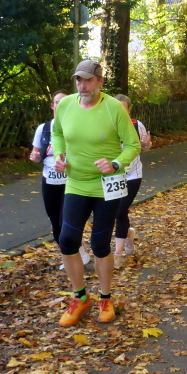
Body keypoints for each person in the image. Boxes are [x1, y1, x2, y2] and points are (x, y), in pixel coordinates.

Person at [52, 60, 141, 327]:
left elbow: (133, 145)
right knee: (67, 240)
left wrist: (115, 164)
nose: (83, 86)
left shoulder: (114, 108)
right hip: (76, 183)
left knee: (100, 244)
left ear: (100, 82)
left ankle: (105, 297)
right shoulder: (66, 105)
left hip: (107, 185)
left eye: (89, 80)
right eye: (79, 80)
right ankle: (80, 297)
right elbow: (57, 133)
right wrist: (59, 155)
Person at [29, 90, 91, 269]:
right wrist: (34, 157)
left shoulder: (76, 127)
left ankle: (75, 256)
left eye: (65, 102)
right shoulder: (44, 129)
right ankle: (73, 253)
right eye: (57, 102)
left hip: (71, 181)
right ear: (52, 106)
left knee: (66, 221)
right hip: (49, 181)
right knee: (55, 222)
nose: (60, 105)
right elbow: (36, 153)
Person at [112, 95, 152, 267]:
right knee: (114, 212)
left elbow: (146, 147)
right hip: (113, 176)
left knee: (120, 211)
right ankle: (128, 234)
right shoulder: (106, 125)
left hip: (132, 175)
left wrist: (146, 144)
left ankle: (117, 253)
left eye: (124, 109)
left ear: (129, 110)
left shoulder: (136, 125)